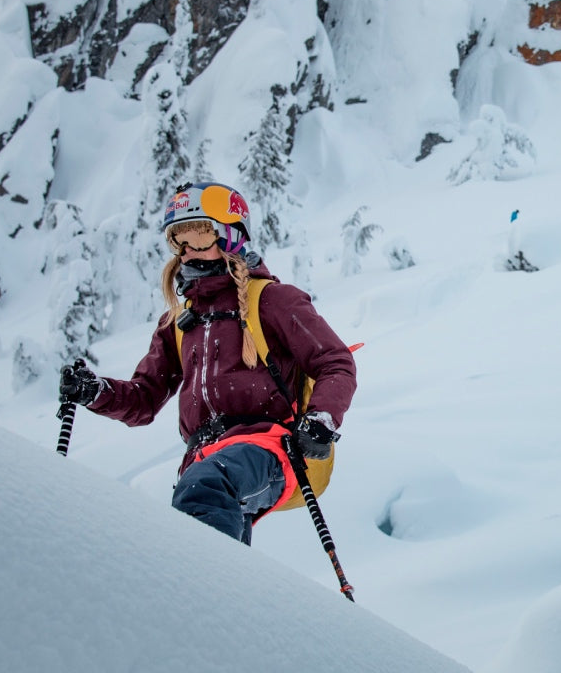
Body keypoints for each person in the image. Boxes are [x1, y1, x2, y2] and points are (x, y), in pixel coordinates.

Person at [58, 180, 357, 545]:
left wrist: (321, 420)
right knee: (203, 516)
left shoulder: (273, 301)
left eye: (199, 236)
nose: (186, 251)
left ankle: (202, 596)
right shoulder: (178, 323)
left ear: (230, 236)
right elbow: (144, 398)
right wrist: (95, 392)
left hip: (270, 448)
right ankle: (223, 598)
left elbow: (335, 361)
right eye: (177, 240)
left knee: (204, 491)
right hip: (202, 458)